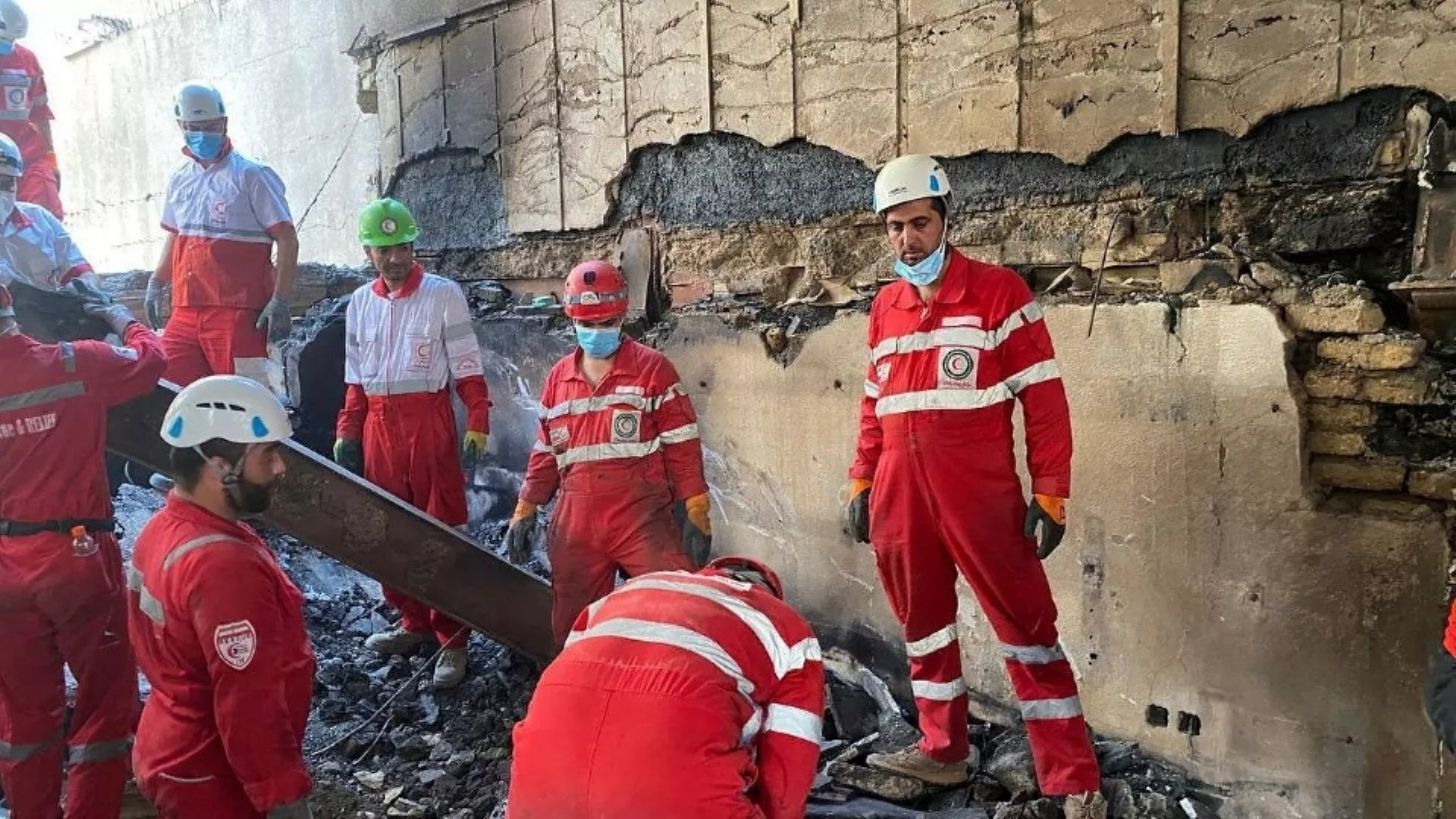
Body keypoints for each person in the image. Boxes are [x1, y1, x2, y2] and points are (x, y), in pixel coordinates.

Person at [845, 154, 1105, 817]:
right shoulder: (886, 308)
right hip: (900, 495)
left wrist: (1050, 492)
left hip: (981, 495)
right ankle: (943, 749)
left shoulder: (998, 294)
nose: (908, 240)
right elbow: (874, 406)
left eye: (920, 223)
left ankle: (1071, 776)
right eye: (895, 226)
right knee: (924, 626)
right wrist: (861, 479)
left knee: (1026, 626)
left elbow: (1044, 401)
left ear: (945, 219)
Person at [0, 280, 165, 818]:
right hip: (77, 556)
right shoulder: (77, 364)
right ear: (9, 305)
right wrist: (121, 317)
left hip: (5, 565)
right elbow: (152, 359)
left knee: (25, 716)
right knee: (103, 704)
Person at [508, 556, 823, 818]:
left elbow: (569, 686)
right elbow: (790, 765)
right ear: (765, 592)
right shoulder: (787, 627)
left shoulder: (624, 595)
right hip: (673, 799)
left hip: (539, 791)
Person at [126, 375, 313, 818]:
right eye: (267, 454)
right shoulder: (222, 567)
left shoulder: (163, 528)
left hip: (177, 749)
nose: (280, 468)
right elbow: (248, 704)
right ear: (219, 466)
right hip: (214, 776)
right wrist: (282, 796)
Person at [504, 259, 713, 647]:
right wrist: (526, 507)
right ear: (572, 319)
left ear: (621, 316)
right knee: (574, 629)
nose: (597, 332)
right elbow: (545, 452)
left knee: (675, 609)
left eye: (606, 323)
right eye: (588, 324)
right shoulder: (558, 380)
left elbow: (682, 445)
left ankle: (669, 681)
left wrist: (695, 506)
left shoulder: (653, 371)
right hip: (577, 527)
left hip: (642, 519)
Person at [332, 197, 490, 689]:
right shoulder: (360, 304)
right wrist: (348, 429)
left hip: (429, 425)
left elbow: (467, 365)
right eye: (384, 250)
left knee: (441, 530)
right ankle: (413, 621)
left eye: (402, 246)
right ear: (368, 253)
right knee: (388, 530)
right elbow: (355, 379)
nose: (395, 258)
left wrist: (478, 418)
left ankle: (452, 638)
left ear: (414, 246)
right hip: (380, 427)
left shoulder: (444, 295)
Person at [144, 80, 298, 388]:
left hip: (238, 311)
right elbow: (176, 236)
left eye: (210, 126)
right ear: (181, 126)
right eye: (194, 127)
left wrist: (280, 299)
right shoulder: (180, 179)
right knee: (171, 392)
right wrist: (157, 282)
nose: (202, 134)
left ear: (224, 123)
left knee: (244, 397)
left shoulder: (251, 175)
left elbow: (287, 238)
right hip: (186, 307)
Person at [0, 133, 92, 293]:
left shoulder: (40, 220)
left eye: (7, 184)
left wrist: (85, 289)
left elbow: (80, 272)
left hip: (52, 307)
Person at [0, 1, 62, 220]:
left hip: (27, 154)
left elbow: (40, 113)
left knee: (45, 213)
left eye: (10, 41)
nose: (6, 46)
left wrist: (51, 159)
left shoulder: (27, 61)